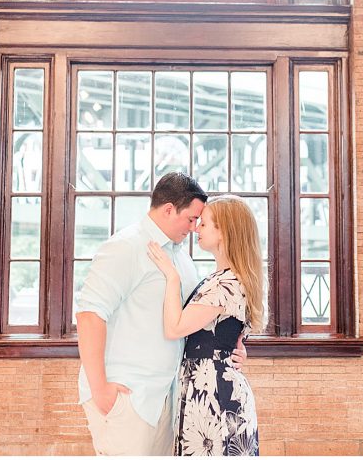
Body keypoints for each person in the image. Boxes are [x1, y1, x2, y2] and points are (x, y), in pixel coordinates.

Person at [75, 172, 246, 456]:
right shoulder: (126, 247)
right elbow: (90, 315)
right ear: (169, 210)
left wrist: (233, 348)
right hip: (128, 395)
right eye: (192, 219)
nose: (195, 228)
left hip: (168, 399)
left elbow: (197, 320)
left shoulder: (181, 258)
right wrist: (101, 390)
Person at [146, 194, 265, 456]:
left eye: (204, 223)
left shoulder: (227, 284)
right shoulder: (221, 278)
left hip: (215, 394)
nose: (196, 228)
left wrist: (172, 276)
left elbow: (174, 328)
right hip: (205, 387)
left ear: (224, 232)